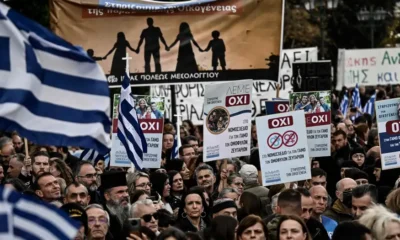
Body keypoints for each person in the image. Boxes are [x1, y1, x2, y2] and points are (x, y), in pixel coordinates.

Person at [101, 171, 130, 240]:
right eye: (120, 192)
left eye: (126, 191)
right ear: (107, 196)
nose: (126, 195)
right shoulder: (102, 217)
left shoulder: (132, 212)